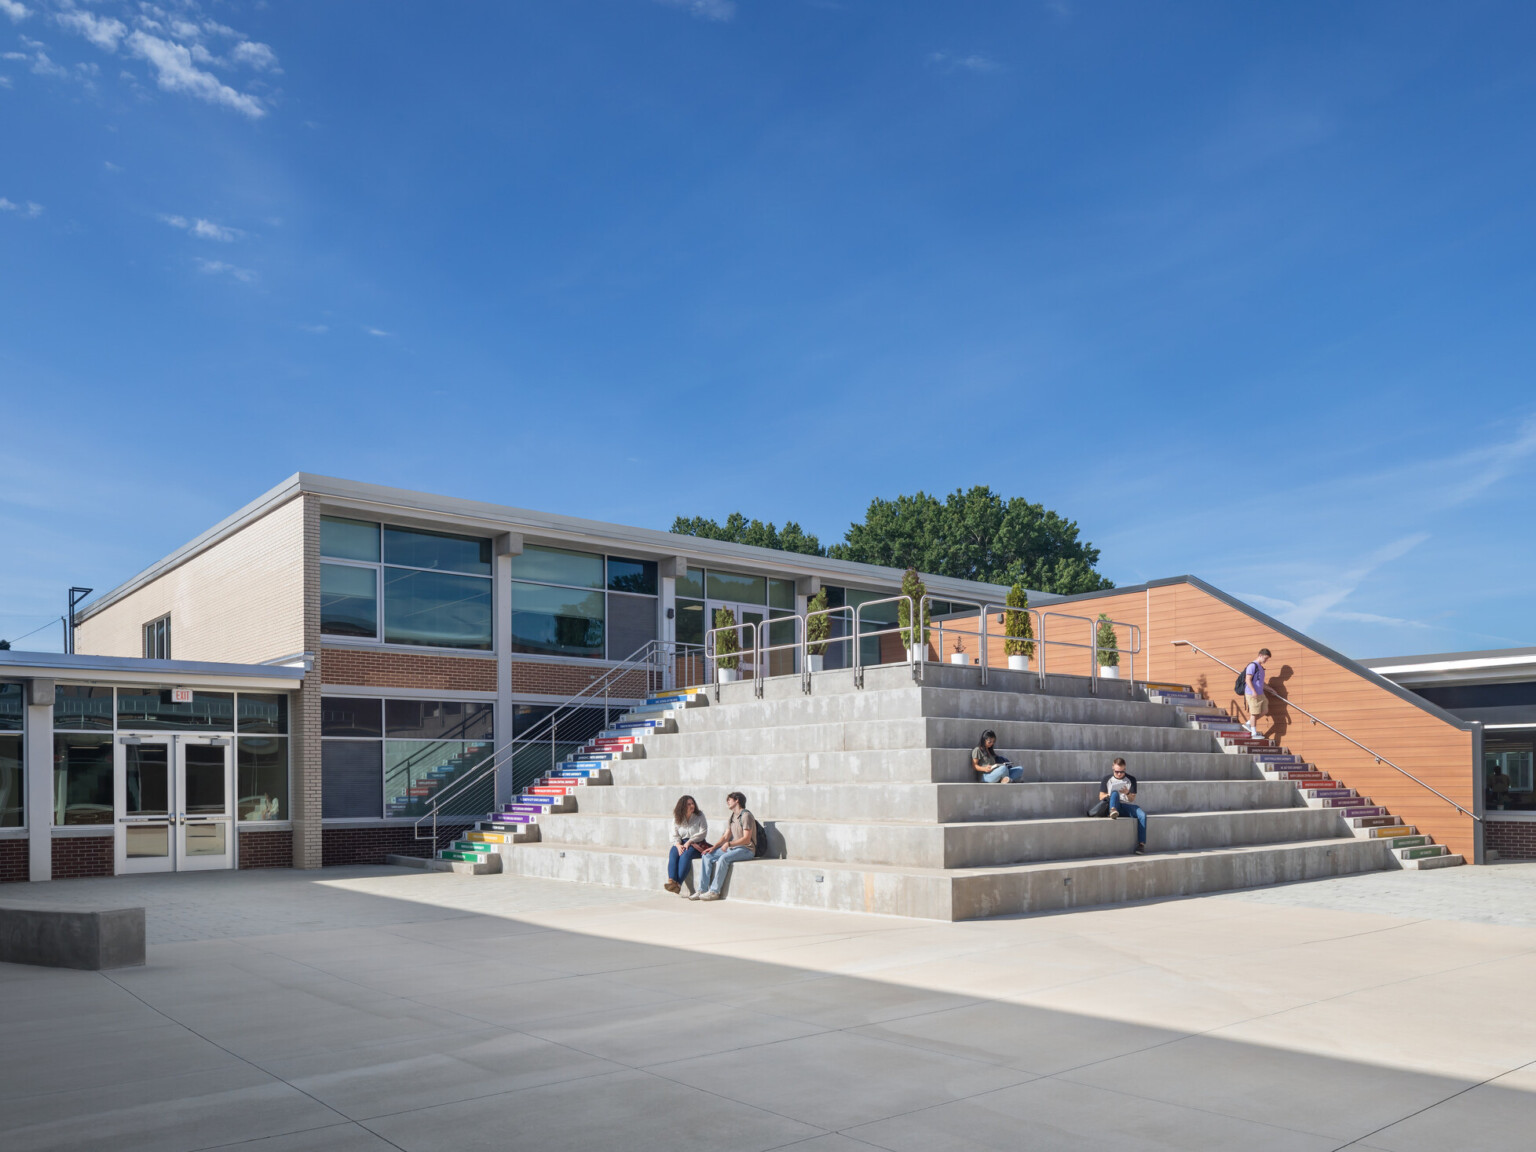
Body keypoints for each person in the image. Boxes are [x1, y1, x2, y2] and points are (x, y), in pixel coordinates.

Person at [693, 791, 757, 901]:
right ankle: (702, 889)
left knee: (723, 858)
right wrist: (713, 847)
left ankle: (714, 891)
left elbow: (746, 839)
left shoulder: (746, 815)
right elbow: (726, 837)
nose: (727, 802)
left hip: (747, 849)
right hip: (734, 848)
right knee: (707, 855)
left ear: (737, 800)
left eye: (729, 799)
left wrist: (729, 844)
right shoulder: (732, 817)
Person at [1090, 757, 1146, 854]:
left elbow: (1132, 799)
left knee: (1142, 815)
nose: (1119, 774)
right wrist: (1110, 794)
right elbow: (1101, 796)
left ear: (1125, 769)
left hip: (1124, 806)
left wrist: (1127, 793)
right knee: (1115, 792)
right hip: (1112, 805)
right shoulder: (1107, 779)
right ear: (1113, 768)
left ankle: (1141, 845)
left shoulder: (1131, 779)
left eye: (1122, 772)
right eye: (1116, 772)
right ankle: (1113, 811)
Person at [666, 795, 708, 895]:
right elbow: (674, 834)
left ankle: (678, 884)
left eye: (692, 803)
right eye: (688, 804)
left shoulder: (700, 815)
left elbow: (703, 832)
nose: (691, 806)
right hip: (681, 842)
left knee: (685, 855)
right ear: (683, 806)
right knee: (673, 852)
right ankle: (672, 881)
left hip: (696, 843)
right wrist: (678, 845)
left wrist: (690, 841)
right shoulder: (677, 817)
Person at [1243, 648, 1272, 738]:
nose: (1266, 660)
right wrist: (1253, 691)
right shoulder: (1252, 665)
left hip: (1260, 693)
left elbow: (1261, 683)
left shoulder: (1261, 668)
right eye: (1265, 658)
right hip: (1252, 693)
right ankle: (1253, 733)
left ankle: (1248, 723)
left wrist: (1271, 689)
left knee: (1265, 710)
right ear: (1260, 655)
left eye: (1267, 659)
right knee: (1254, 713)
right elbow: (1247, 679)